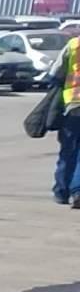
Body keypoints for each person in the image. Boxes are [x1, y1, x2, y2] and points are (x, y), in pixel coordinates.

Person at [52, 32, 80, 206]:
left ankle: (61, 191)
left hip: (73, 104)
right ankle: (77, 191)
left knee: (68, 150)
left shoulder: (73, 44)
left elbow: (55, 73)